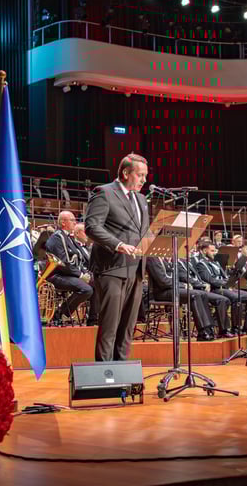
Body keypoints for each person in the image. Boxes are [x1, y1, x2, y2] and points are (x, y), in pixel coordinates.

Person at [84, 153, 150, 362]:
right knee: (110, 327)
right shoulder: (104, 193)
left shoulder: (140, 199)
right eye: (140, 175)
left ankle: (123, 373)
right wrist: (118, 244)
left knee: (127, 328)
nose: (144, 180)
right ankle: (105, 374)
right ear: (125, 173)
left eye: (145, 176)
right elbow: (92, 227)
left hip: (136, 270)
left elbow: (143, 232)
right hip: (111, 268)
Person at [145, 255, 220, 341]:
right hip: (161, 293)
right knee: (194, 295)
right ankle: (203, 331)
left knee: (202, 294)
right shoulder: (152, 258)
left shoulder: (165, 259)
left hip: (172, 289)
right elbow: (163, 281)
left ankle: (209, 328)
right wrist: (183, 285)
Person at [44, 211, 94, 325]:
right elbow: (63, 262)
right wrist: (80, 275)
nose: (74, 222)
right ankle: (60, 314)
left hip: (68, 274)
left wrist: (85, 273)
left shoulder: (68, 238)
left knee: (96, 284)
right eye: (72, 220)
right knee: (86, 289)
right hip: (57, 275)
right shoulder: (57, 237)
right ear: (63, 222)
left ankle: (93, 319)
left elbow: (78, 260)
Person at [195, 241, 247, 335]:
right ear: (204, 251)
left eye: (215, 250)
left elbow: (224, 277)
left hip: (224, 287)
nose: (215, 253)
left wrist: (231, 279)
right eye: (212, 251)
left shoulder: (216, 263)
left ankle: (246, 327)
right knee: (236, 297)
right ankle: (234, 328)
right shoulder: (201, 264)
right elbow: (210, 280)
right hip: (214, 289)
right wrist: (226, 283)